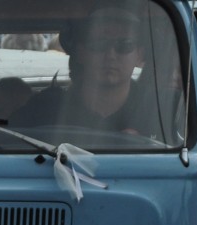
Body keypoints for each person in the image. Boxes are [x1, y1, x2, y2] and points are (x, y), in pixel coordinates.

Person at [13, 7, 157, 135]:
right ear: (81, 53)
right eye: (99, 44)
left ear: (139, 55)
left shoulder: (158, 111)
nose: (110, 55)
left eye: (124, 45)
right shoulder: (43, 109)